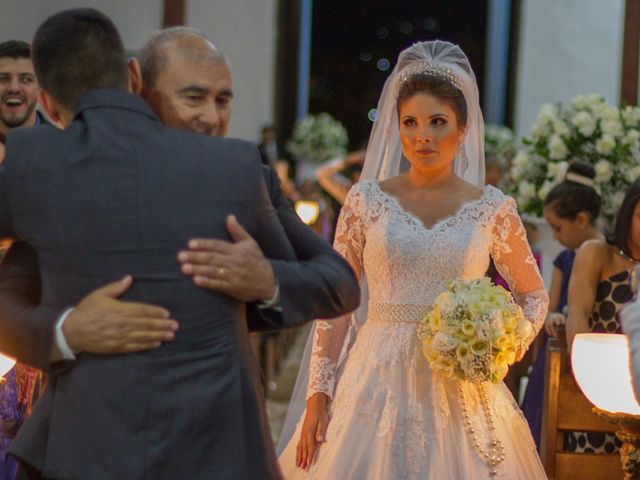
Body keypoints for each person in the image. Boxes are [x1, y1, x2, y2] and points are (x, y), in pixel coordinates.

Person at [0, 9, 343, 479]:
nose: (210, 116)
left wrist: (265, 282)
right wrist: (65, 330)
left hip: (211, 436)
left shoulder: (242, 174)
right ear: (138, 85)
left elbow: (333, 281)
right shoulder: (56, 175)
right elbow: (10, 295)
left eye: (223, 100)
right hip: (91, 439)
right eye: (193, 97)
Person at [278, 40, 548, 479]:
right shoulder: (365, 201)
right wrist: (318, 395)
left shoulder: (493, 208)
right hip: (375, 377)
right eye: (411, 122)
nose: (423, 135)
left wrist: (501, 344)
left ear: (462, 130)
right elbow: (336, 303)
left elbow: (533, 295)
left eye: (437, 122)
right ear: (396, 129)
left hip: (463, 382)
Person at [520, 162, 602, 450]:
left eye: (558, 227)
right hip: (554, 355)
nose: (555, 236)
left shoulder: (607, 257)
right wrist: (553, 317)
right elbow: (549, 308)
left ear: (580, 220)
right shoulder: (564, 260)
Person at [563, 178, 640, 454]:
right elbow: (577, 315)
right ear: (628, 213)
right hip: (600, 391)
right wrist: (583, 380)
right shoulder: (597, 253)